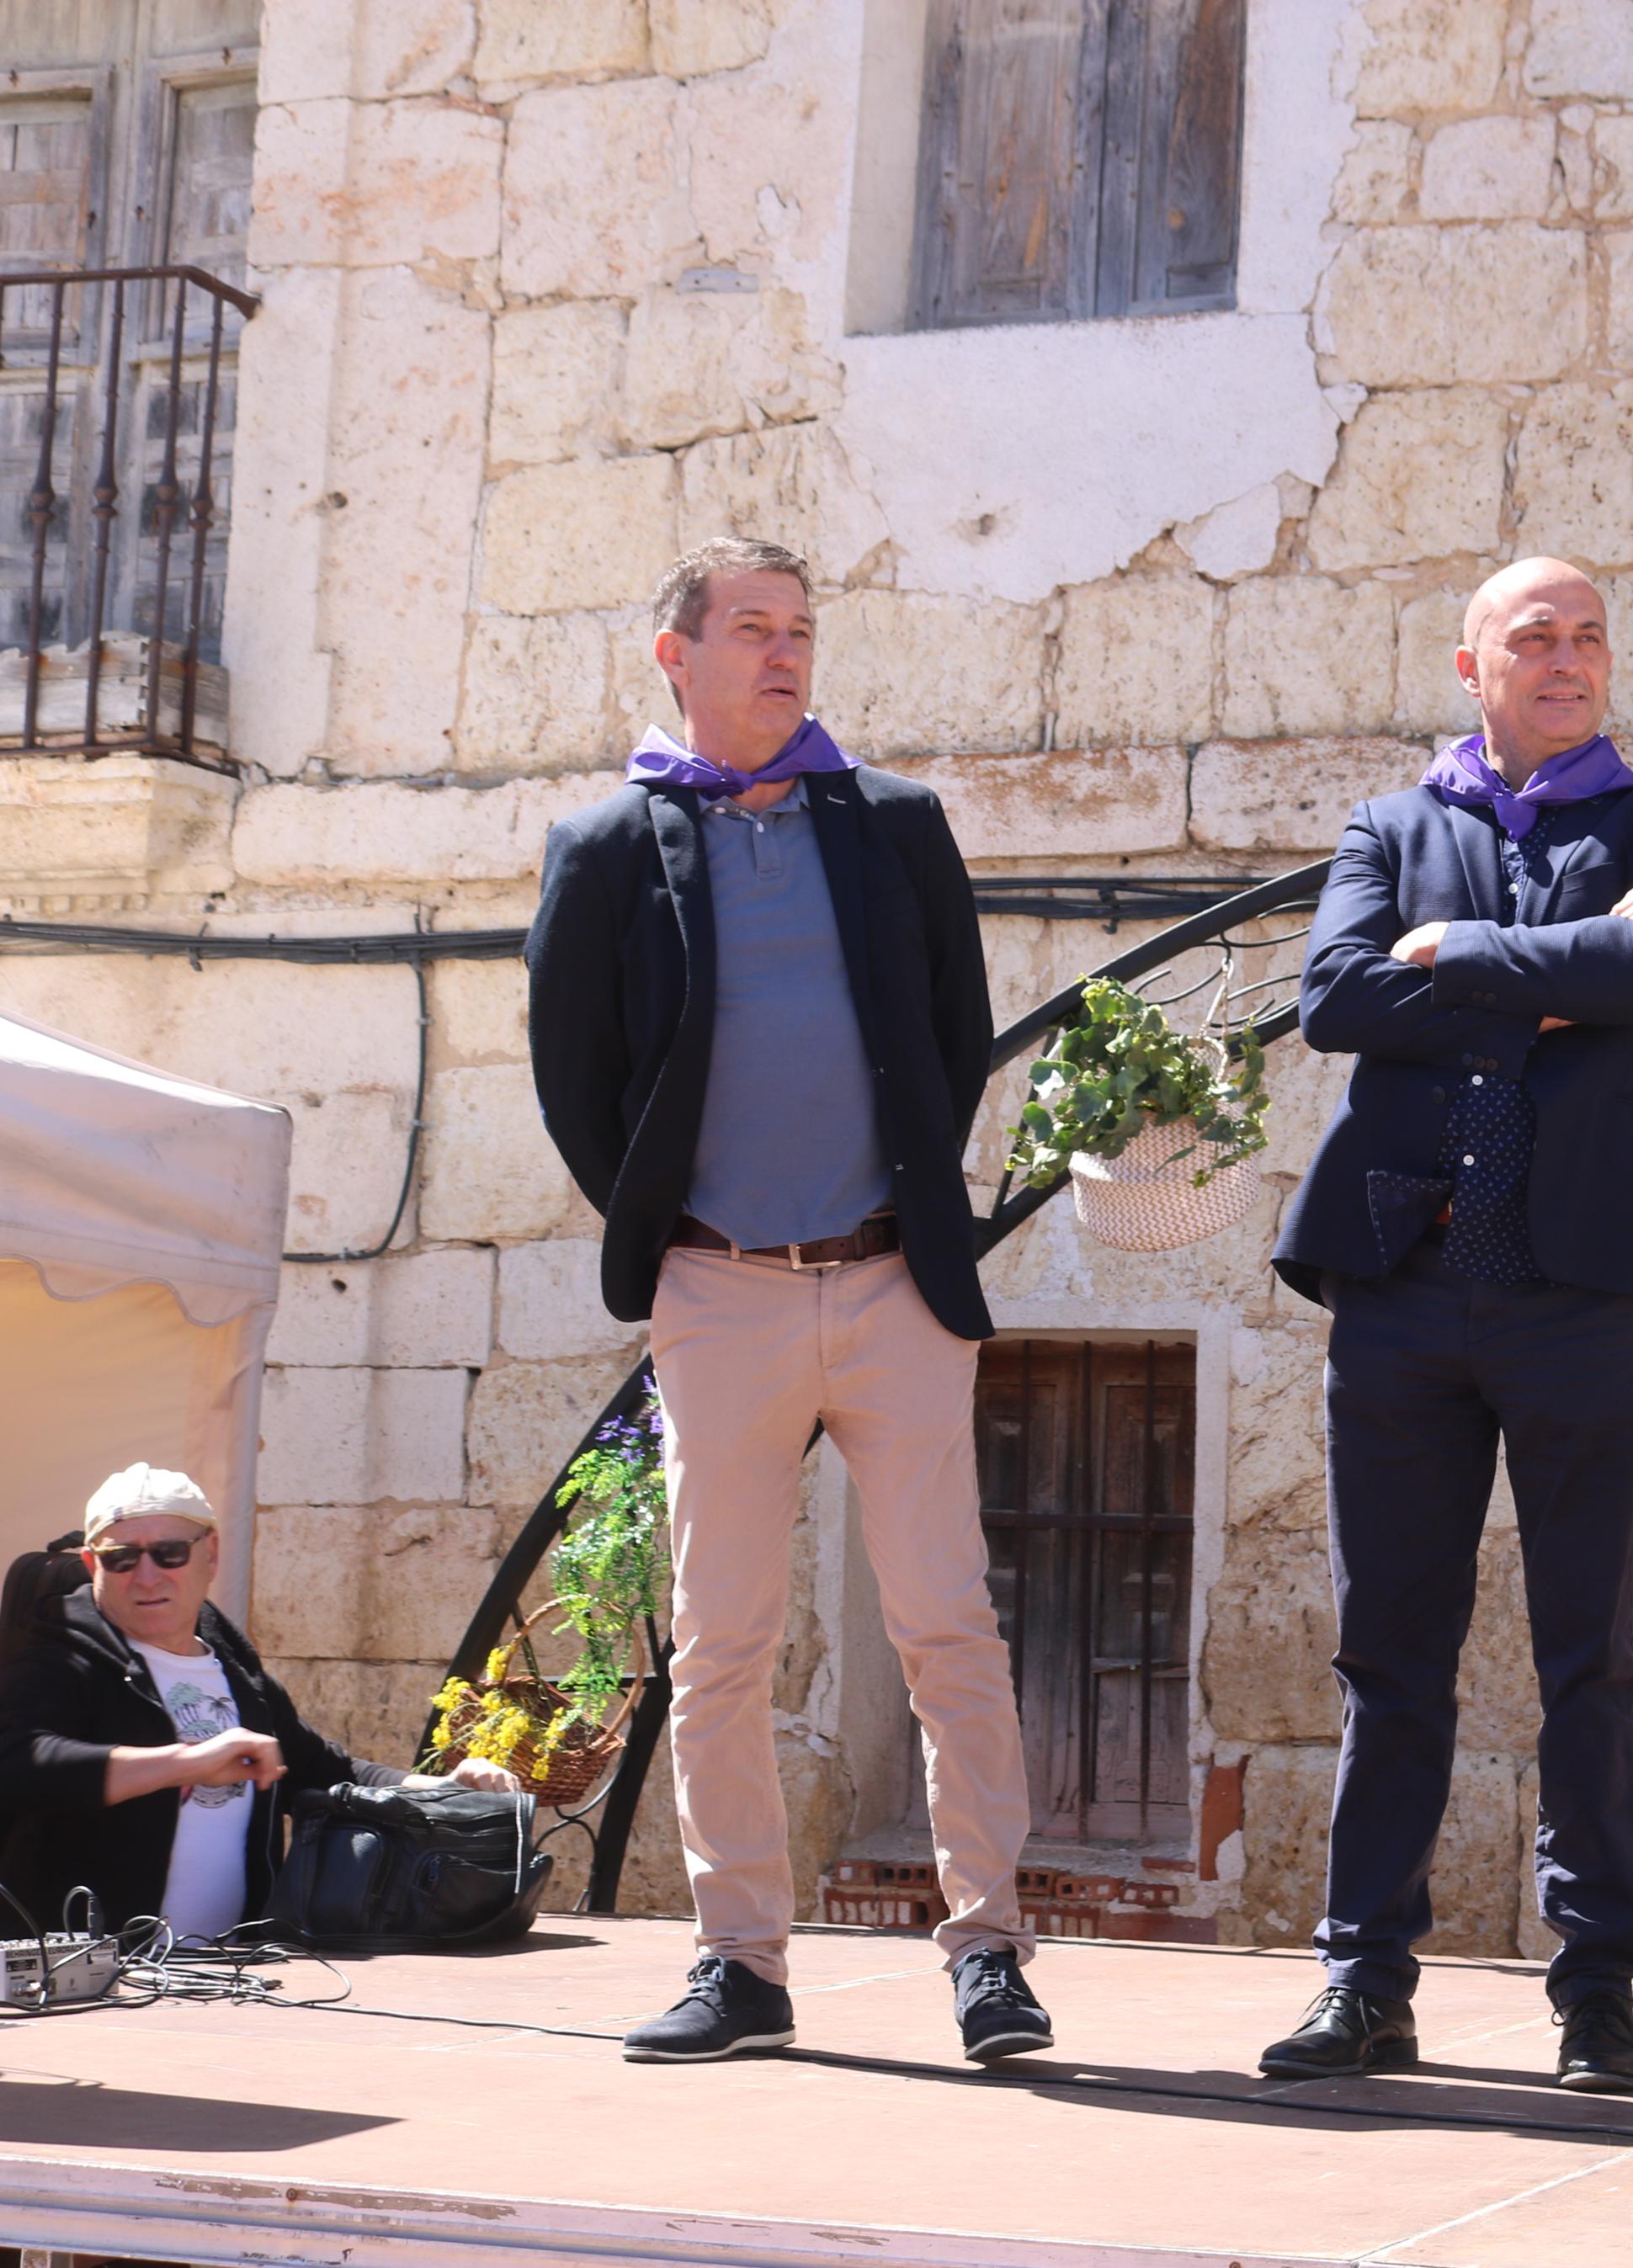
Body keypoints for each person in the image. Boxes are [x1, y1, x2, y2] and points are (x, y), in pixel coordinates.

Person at [525, 537, 1049, 2067]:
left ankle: (989, 1950)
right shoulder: (608, 844)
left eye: (801, 630)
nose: (783, 652)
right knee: (720, 1640)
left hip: (893, 1280)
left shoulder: (892, 826)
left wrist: (892, 1213)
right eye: (751, 627)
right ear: (673, 653)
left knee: (946, 1624)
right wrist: (673, 1229)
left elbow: (950, 1041)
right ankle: (741, 1962)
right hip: (717, 1291)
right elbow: (578, 1083)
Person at [1260, 557, 1633, 2093]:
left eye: (1590, 638)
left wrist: (1458, 958)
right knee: (1388, 1657)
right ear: (1472, 664)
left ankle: (1595, 1988)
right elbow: (1333, 996)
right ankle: (1363, 1980)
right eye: (1536, 637)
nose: (1568, 660)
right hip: (1404, 1291)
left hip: (1587, 1298)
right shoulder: (1391, 828)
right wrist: (1555, 985)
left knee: (1585, 1657)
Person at [0, 1465, 520, 1941]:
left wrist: (446, 1788)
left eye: (169, 1553)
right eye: (121, 1558)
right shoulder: (58, 1657)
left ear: (211, 1554)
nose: (147, 1575)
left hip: (228, 1975)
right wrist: (187, 1763)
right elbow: (19, 1766)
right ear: (92, 1563)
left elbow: (317, 1767)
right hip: (94, 1987)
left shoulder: (235, 1668)